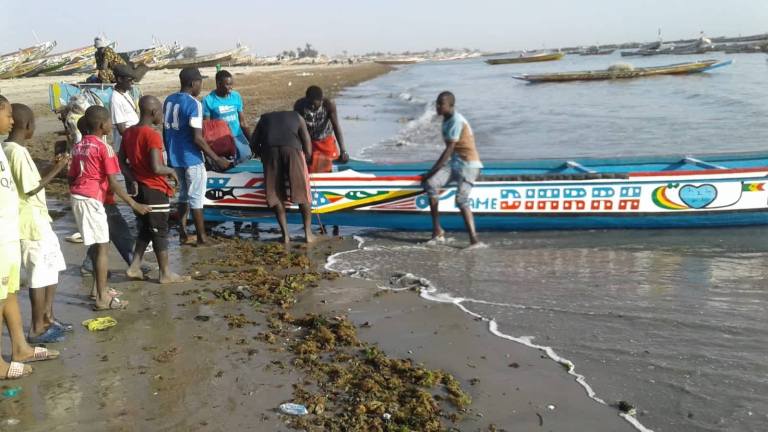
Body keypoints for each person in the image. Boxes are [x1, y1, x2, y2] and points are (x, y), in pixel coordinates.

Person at [0, 96, 59, 380]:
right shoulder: (12, 149)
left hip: (11, 228)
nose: (11, 121)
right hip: (9, 229)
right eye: (7, 114)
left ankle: (20, 347)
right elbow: (30, 188)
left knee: (9, 291)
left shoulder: (4, 149)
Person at [69, 106, 150, 310]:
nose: (111, 124)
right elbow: (114, 182)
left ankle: (98, 290)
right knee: (103, 248)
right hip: (93, 199)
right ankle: (102, 299)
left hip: (78, 197)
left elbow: (71, 177)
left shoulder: (78, 146)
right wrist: (134, 204)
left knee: (97, 246)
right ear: (101, 125)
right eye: (108, 121)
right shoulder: (103, 148)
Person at [3, 103, 72, 343]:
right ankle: (36, 328)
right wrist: (59, 170)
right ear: (29, 125)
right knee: (39, 273)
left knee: (52, 265)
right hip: (30, 222)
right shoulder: (17, 152)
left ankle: (47, 317)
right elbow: (31, 188)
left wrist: (51, 166)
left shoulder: (11, 149)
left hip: (39, 218)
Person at [119, 96, 189, 284]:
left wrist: (132, 178)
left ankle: (134, 267)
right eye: (161, 111)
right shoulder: (151, 135)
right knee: (160, 230)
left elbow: (121, 161)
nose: (162, 115)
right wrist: (172, 171)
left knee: (146, 229)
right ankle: (165, 273)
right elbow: (156, 167)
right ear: (153, 112)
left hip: (139, 189)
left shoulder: (128, 133)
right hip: (154, 189)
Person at [163, 67, 230, 246]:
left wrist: (168, 155)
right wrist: (217, 158)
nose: (201, 86)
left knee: (183, 194)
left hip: (174, 156)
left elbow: (165, 129)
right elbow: (197, 138)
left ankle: (183, 234)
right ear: (193, 83)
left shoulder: (169, 100)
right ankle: (201, 238)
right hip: (190, 157)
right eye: (200, 82)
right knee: (196, 196)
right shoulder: (194, 104)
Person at [421, 91, 485, 249]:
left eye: (440, 104)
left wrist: (431, 170)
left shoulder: (456, 121)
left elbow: (448, 150)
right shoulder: (446, 119)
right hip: (455, 163)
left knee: (461, 199)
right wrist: (432, 175)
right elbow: (450, 154)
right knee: (431, 184)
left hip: (469, 165)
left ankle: (474, 240)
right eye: (436, 103)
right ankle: (437, 230)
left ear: (450, 106)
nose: (437, 106)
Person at [251, 111, 315, 244]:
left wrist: (263, 156)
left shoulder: (264, 118)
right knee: (302, 191)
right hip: (292, 149)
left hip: (270, 151)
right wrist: (305, 161)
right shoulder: (298, 117)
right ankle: (308, 234)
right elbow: (308, 146)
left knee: (275, 193)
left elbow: (253, 143)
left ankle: (285, 235)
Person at [294, 86, 349, 173]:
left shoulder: (329, 104)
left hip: (326, 142)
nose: (312, 107)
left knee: (330, 167)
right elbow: (296, 128)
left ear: (321, 100)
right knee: (310, 167)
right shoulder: (299, 105)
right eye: (310, 103)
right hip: (309, 143)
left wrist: (343, 150)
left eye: (315, 104)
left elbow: (336, 126)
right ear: (306, 99)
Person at [202, 70, 252, 164]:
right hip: (221, 138)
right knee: (225, 163)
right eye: (228, 85)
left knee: (246, 157)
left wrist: (252, 142)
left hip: (237, 135)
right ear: (218, 83)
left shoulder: (236, 96)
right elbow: (207, 127)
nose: (231, 87)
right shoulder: (208, 100)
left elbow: (243, 122)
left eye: (231, 84)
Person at [109, 64, 139, 154]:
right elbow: (122, 129)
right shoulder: (115, 99)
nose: (132, 83)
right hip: (126, 145)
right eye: (129, 80)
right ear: (120, 79)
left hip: (132, 141)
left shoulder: (125, 93)